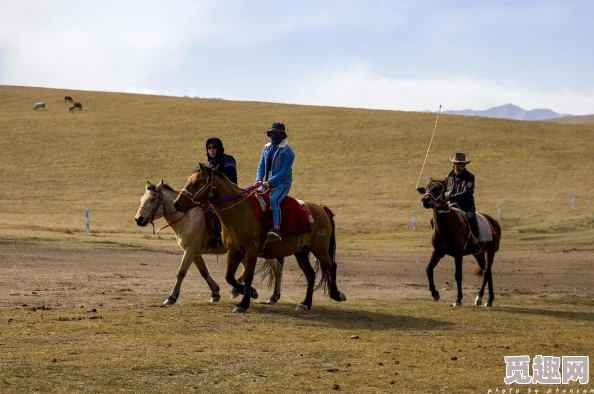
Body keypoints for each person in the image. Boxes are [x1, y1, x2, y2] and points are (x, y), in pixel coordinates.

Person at [254, 122, 295, 242]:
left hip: (282, 184)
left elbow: (284, 172)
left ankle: (276, 228)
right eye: (272, 133)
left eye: (276, 133)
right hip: (266, 183)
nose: (273, 135)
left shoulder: (288, 151)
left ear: (282, 135)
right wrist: (258, 179)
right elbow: (261, 165)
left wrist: (270, 182)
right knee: (254, 198)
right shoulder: (266, 147)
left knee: (273, 200)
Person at [443, 152, 482, 254]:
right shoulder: (449, 176)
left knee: (471, 218)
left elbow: (466, 193)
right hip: (452, 206)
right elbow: (444, 188)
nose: (457, 166)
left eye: (460, 164)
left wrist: (450, 197)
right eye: (456, 164)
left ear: (464, 165)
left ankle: (475, 243)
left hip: (466, 206)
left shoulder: (469, 177)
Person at [204, 137, 237, 249]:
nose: (211, 150)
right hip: (214, 198)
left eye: (214, 147)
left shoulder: (228, 160)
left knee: (216, 212)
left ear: (219, 148)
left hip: (230, 196)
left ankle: (220, 238)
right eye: (208, 148)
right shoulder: (208, 166)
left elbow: (230, 175)